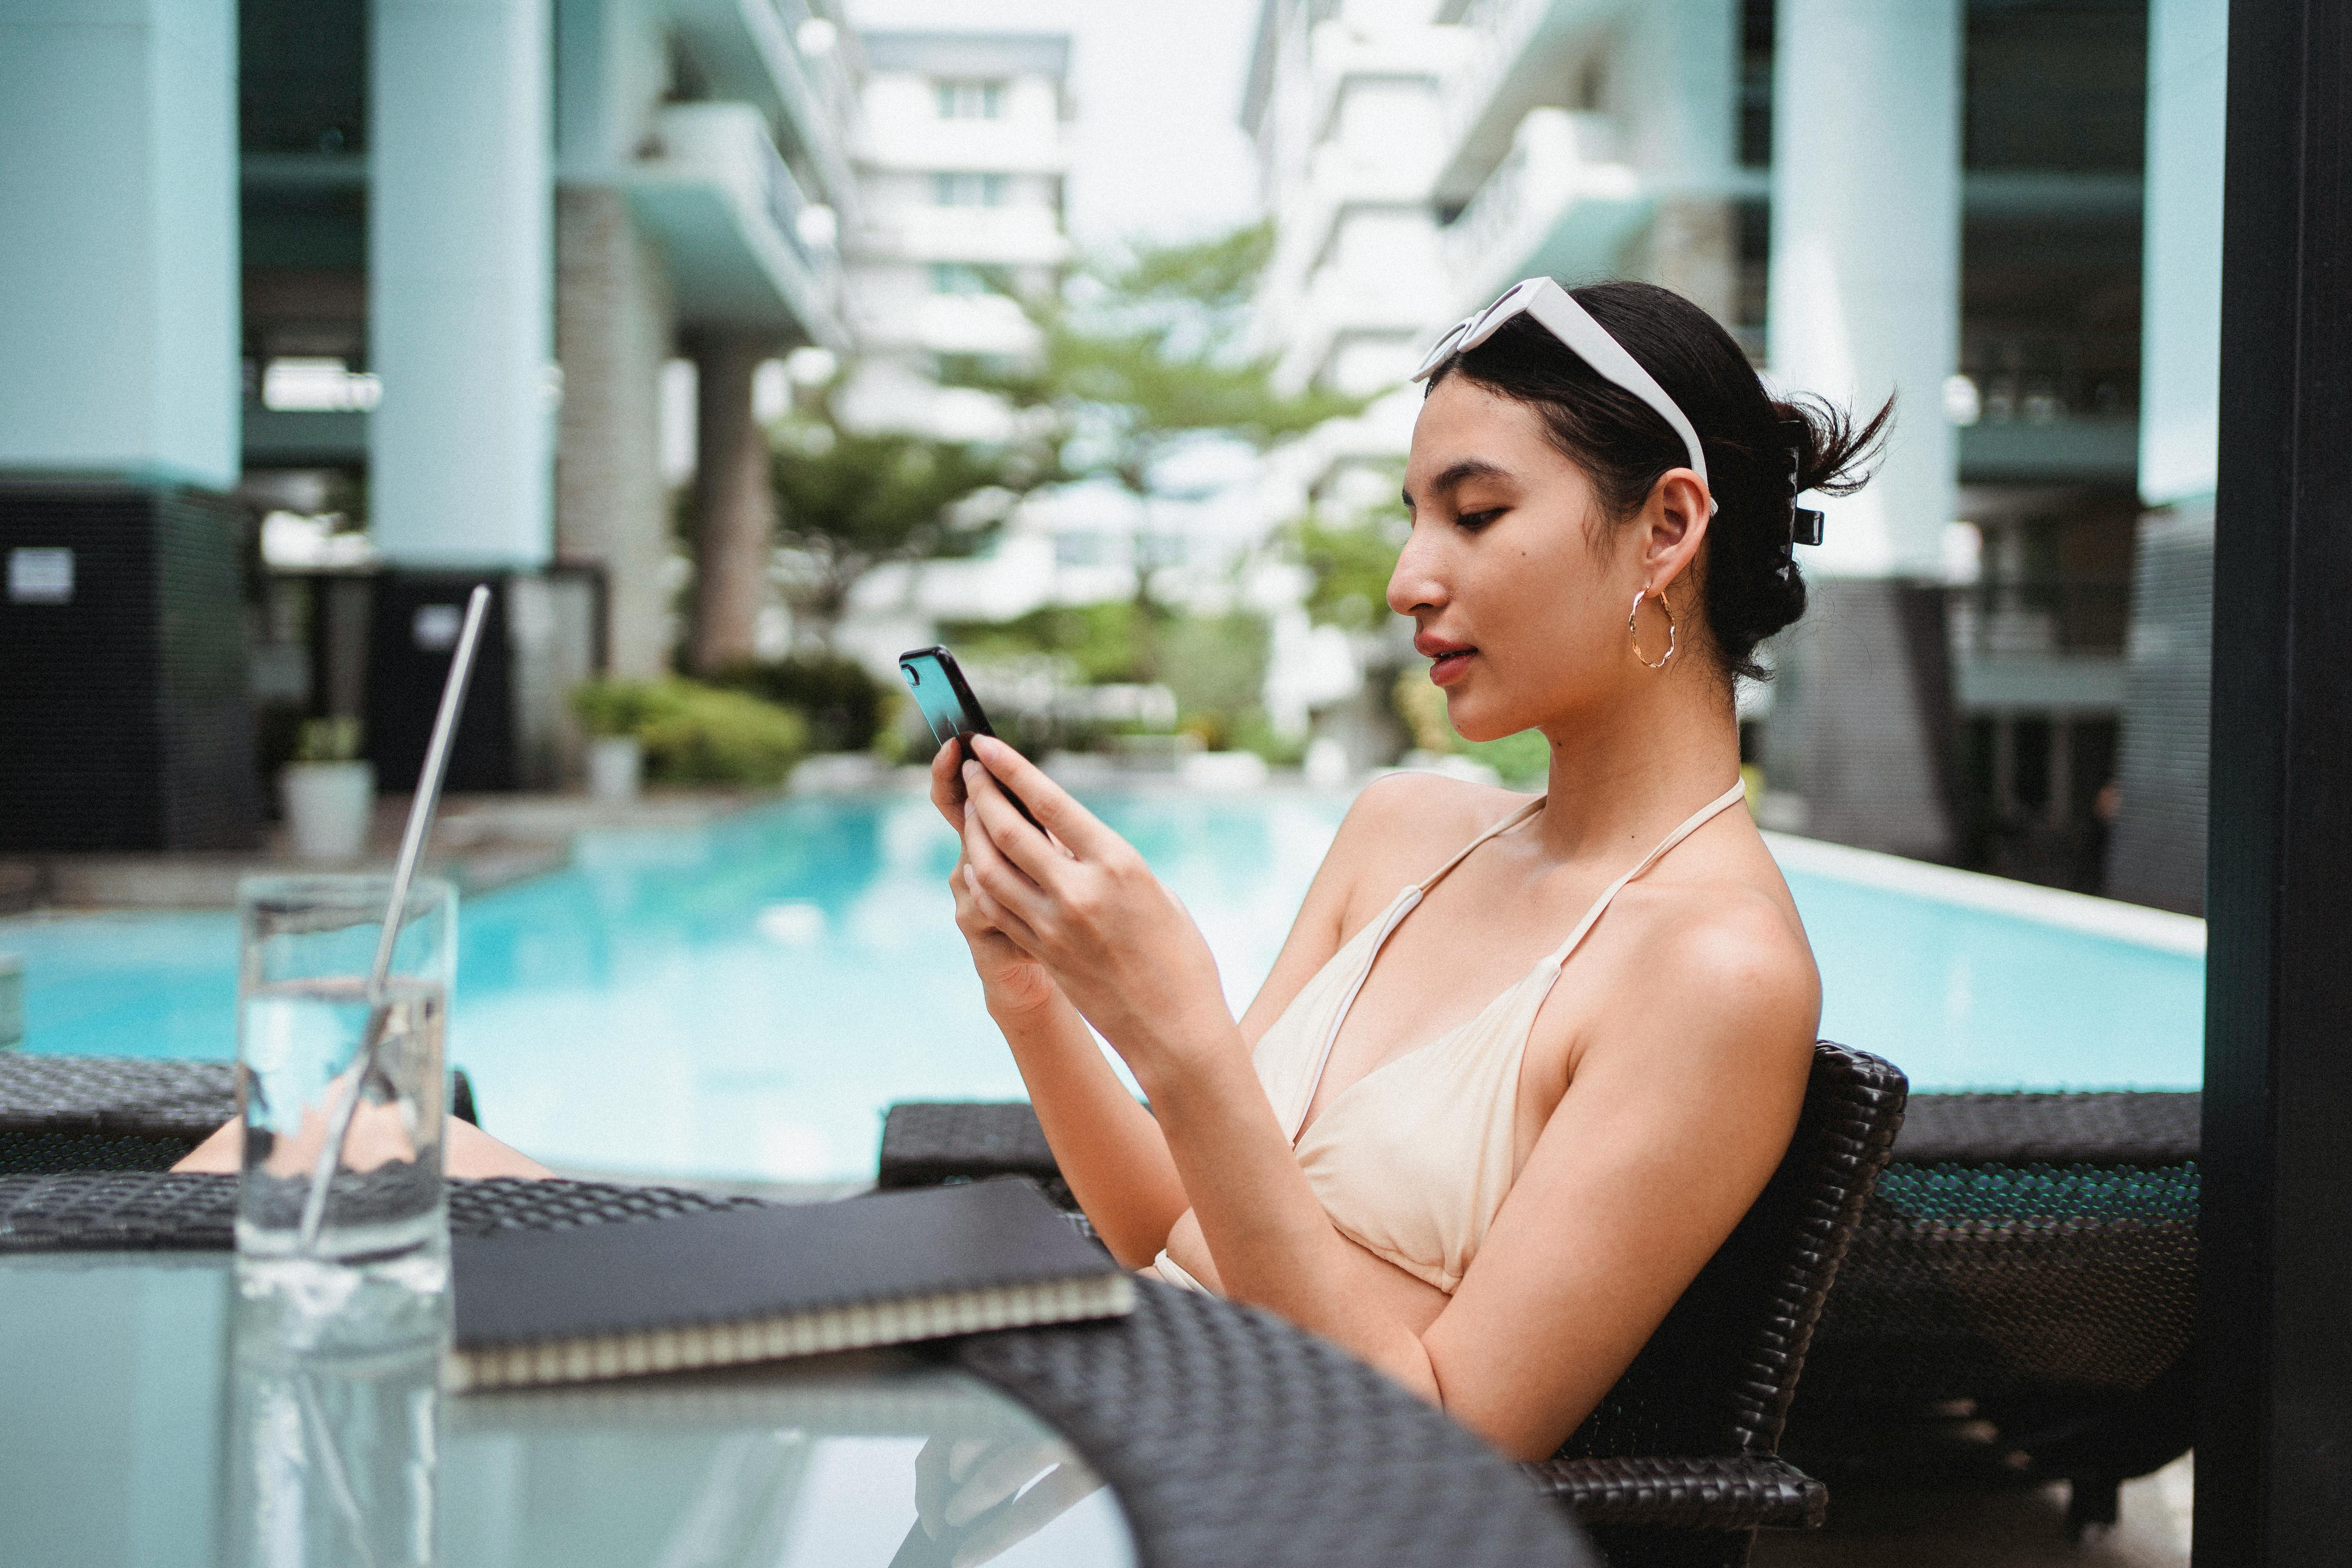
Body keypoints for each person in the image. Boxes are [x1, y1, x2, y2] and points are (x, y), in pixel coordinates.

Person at [930, 278, 1886, 1462]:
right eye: (1414, 516)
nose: (1407, 580)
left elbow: (1443, 1452)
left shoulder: (1714, 975)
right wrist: (1034, 996)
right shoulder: (1400, 831)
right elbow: (1160, 1225)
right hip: (1110, 1439)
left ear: (1667, 530)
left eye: (1475, 514)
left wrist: (1181, 1035)